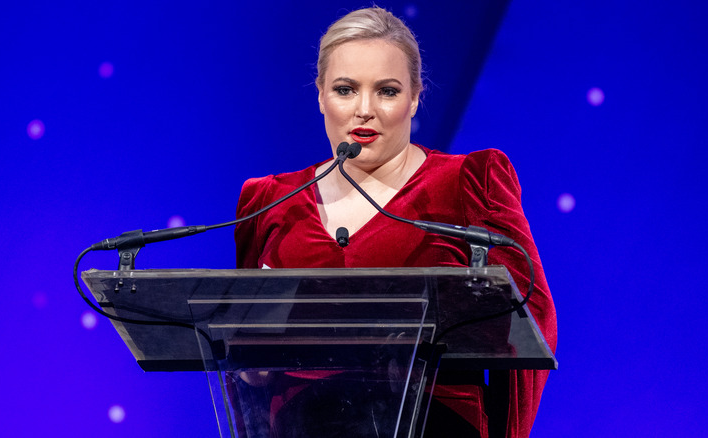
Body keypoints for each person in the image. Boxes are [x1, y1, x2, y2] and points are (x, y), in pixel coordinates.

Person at [234, 6, 557, 438]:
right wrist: (248, 367)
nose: (364, 110)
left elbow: (530, 316)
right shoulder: (270, 200)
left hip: (435, 423)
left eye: (386, 91)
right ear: (320, 95)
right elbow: (243, 342)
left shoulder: (468, 182)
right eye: (345, 89)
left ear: (415, 97)